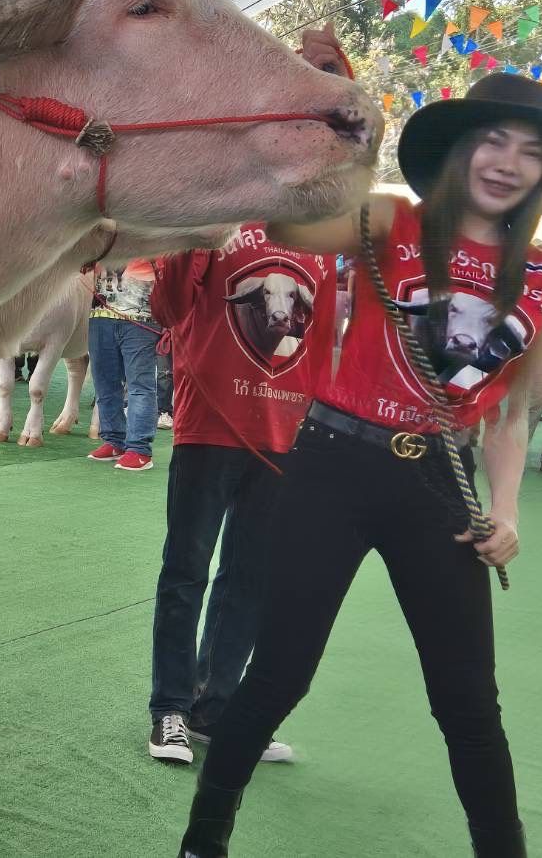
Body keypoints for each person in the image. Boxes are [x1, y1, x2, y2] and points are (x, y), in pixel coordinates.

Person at [177, 71, 542, 858]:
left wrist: (506, 510)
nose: (507, 162)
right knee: (278, 676)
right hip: (333, 467)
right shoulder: (392, 219)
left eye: (530, 151)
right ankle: (201, 843)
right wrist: (320, 113)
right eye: (492, 139)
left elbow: (515, 414)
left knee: (467, 702)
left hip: (439, 488)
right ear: (458, 149)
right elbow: (287, 222)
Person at [146, 225, 336, 766]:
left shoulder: (322, 237)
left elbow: (318, 336)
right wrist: (190, 233)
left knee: (250, 579)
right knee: (186, 571)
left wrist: (315, 421)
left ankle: (215, 708)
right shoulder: (219, 216)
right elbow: (167, 307)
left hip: (286, 433)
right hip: (209, 424)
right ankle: (172, 709)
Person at [88, 258, 160, 470]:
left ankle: (139, 448)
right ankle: (114, 441)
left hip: (142, 316)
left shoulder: (153, 230)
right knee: (104, 382)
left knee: (140, 385)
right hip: (101, 313)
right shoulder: (102, 230)